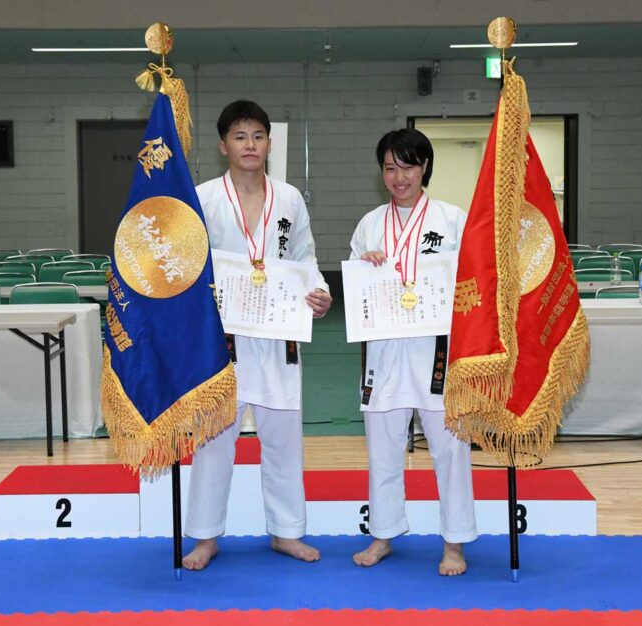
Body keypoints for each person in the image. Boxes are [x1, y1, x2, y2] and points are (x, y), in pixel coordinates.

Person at [182, 99, 333, 570]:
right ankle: (205, 537)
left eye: (258, 136)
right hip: (221, 338)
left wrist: (321, 292)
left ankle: (286, 532)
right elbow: (188, 265)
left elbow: (305, 258)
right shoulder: (203, 198)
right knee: (214, 442)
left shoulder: (289, 198)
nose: (250, 145)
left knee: (284, 437)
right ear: (223, 144)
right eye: (240, 136)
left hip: (278, 334)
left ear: (270, 142)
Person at [348, 128, 478, 576]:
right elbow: (355, 288)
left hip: (437, 351)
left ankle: (454, 543)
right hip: (384, 351)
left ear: (425, 167)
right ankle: (383, 534)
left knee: (450, 449)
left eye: (407, 165)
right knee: (382, 448)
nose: (398, 176)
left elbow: (472, 285)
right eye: (389, 166)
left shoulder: (451, 219)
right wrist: (364, 269)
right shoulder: (369, 224)